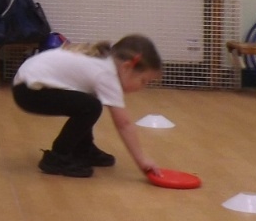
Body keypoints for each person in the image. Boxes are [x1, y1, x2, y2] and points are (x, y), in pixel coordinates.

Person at [11, 38, 162, 178]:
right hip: (29, 92)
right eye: (143, 81)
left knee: (88, 103)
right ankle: (58, 157)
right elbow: (124, 124)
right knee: (91, 107)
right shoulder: (107, 74)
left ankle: (83, 150)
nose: (143, 87)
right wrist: (142, 160)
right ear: (126, 67)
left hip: (26, 85)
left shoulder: (106, 60)